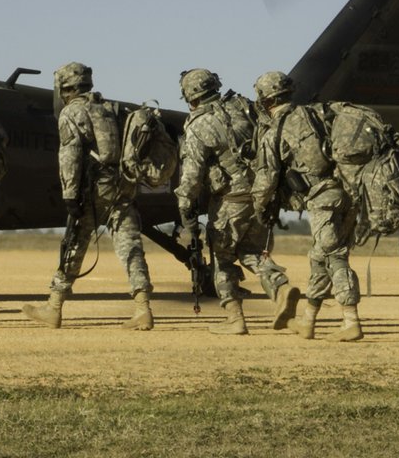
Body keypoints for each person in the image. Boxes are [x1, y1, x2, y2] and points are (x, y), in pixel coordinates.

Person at [21, 62, 154, 330]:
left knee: (74, 244)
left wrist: (70, 195)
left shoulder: (72, 112)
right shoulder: (107, 107)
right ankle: (143, 308)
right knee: (130, 246)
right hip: (121, 185)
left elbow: (69, 155)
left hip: (93, 190)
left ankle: (54, 307)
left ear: (65, 87)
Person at [176, 67, 290, 335]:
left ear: (190, 96)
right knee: (251, 251)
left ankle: (235, 318)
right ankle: (281, 286)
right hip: (263, 193)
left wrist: (184, 205)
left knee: (223, 258)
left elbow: (192, 175)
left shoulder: (198, 124)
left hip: (231, 199)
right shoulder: (245, 107)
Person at [251, 71, 361, 341]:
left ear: (265, 102)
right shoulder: (317, 114)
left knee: (334, 256)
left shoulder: (274, 132)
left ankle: (351, 320)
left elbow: (266, 179)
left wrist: (259, 207)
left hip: (322, 198)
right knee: (318, 257)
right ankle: (308, 320)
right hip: (348, 193)